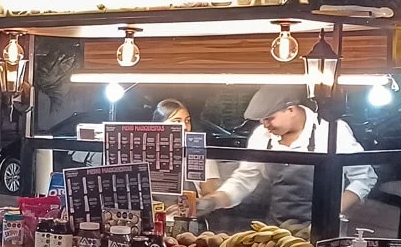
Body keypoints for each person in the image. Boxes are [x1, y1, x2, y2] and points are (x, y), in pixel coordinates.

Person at [195, 87, 377, 230]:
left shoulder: (331, 130)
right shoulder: (262, 136)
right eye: (261, 121)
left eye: (269, 118)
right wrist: (214, 201)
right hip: (276, 229)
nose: (265, 125)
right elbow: (244, 179)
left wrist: (330, 213)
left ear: (290, 110)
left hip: (322, 227)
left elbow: (364, 178)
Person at [151, 99, 221, 196]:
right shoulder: (146, 153)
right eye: (177, 121)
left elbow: (210, 191)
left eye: (187, 121)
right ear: (159, 125)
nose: (184, 126)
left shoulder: (199, 151)